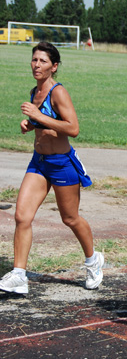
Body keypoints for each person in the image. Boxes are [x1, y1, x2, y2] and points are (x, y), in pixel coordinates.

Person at [0, 42, 104, 295]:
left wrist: (39, 114)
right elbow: (45, 123)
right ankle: (19, 275)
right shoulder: (35, 91)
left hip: (61, 164)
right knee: (22, 216)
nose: (37, 65)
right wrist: (30, 123)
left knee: (70, 218)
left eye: (43, 61)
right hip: (39, 162)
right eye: (34, 60)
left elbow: (73, 128)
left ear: (54, 66)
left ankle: (93, 261)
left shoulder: (58, 92)